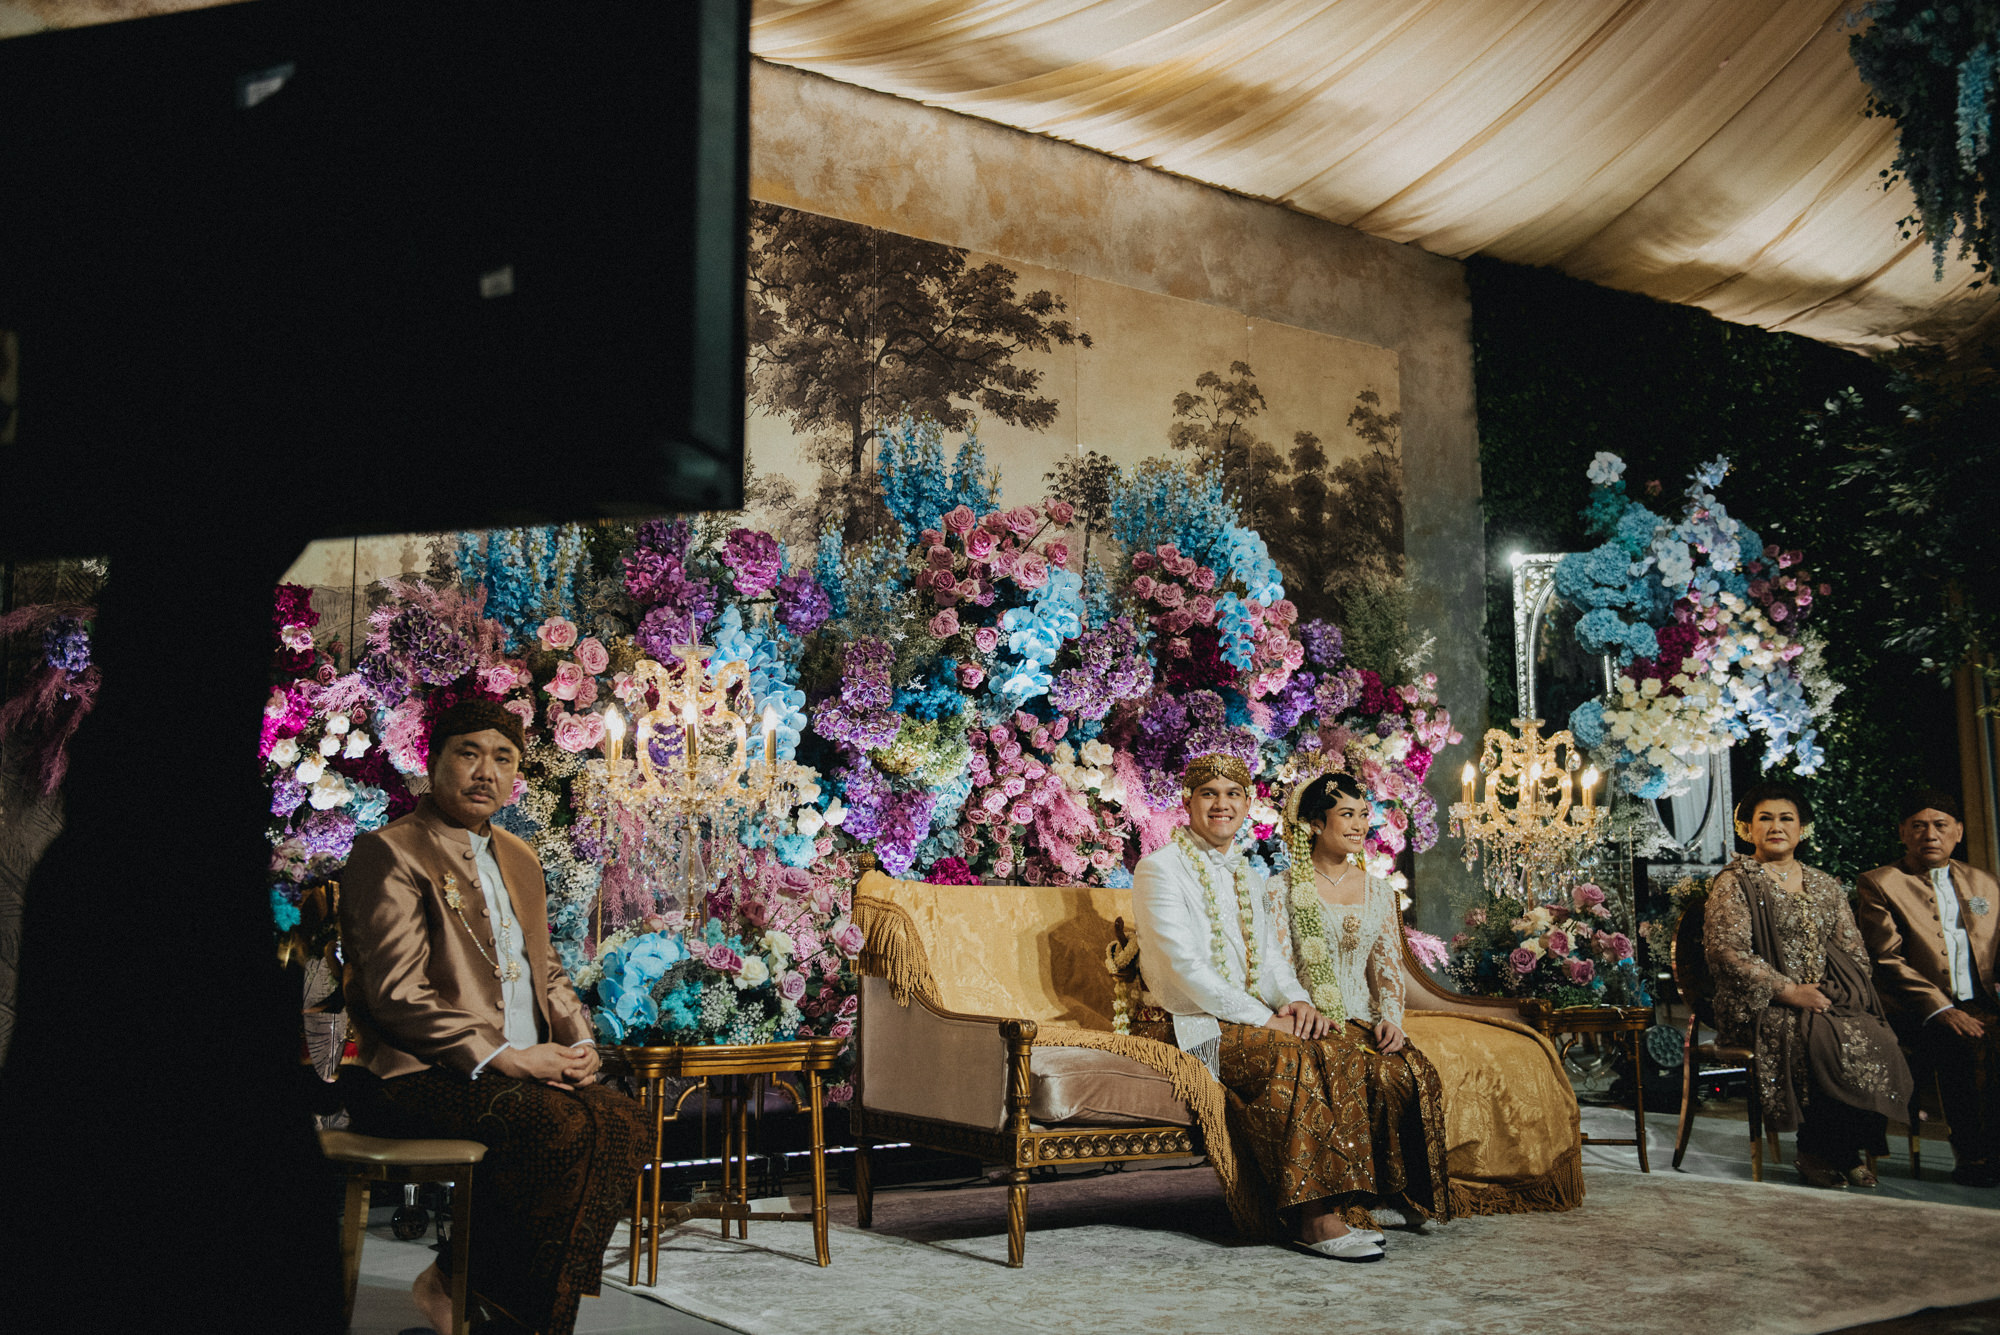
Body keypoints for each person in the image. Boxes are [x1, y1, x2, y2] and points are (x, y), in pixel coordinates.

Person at [339, 700, 647, 1334]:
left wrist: (580, 1044)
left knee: (627, 1122)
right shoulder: (389, 851)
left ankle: (463, 1284)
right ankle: (507, 1315)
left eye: (503, 759)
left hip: (518, 1073)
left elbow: (548, 972)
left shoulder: (519, 858)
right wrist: (505, 1056)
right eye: (469, 754)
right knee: (559, 1127)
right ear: (433, 762)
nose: (486, 772)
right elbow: (395, 993)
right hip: (413, 1077)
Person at [1128, 753, 1449, 1261]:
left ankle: (1343, 1204)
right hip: (1186, 1024)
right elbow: (1185, 968)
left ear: (1246, 805)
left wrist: (1296, 1002)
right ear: (1188, 802)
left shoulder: (1248, 873)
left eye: (1233, 795)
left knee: (1335, 1044)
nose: (1221, 804)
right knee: (1291, 1055)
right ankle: (1312, 1220)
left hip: (1244, 1016)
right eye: (1209, 793)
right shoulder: (1158, 870)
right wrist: (1266, 1018)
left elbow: (1272, 960)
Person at [1704, 780, 1913, 1189]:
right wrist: (1790, 991)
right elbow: (1726, 952)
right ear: (1748, 829)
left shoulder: (1824, 884)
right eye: (1765, 818)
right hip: (1762, 1003)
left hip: (1825, 997)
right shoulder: (1735, 881)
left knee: (1875, 1035)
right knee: (1813, 1038)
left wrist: (1834, 991)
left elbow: (1854, 952)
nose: (1776, 827)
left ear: (1802, 829)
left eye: (1786, 818)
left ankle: (1846, 1149)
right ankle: (1816, 1151)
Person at [1267, 768, 1450, 1230]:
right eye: (1346, 814)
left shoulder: (1378, 891)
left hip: (1366, 1020)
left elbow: (1388, 970)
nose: (1359, 825)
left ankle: (1398, 1191)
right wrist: (1299, 1008)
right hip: (1310, 1021)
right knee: (1354, 1070)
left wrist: (1392, 1020)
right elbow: (1276, 966)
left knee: (1405, 1072)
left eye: (1364, 815)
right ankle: (1345, 1197)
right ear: (1315, 824)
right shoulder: (1281, 889)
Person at [1856, 789, 2000, 1186]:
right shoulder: (1880, 883)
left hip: (1982, 1000)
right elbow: (1885, 959)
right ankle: (1976, 1158)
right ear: (1903, 832)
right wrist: (1941, 1008)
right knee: (1966, 1041)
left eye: (1940, 825)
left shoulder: (1985, 883)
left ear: (1958, 832)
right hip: (1913, 1009)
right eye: (1919, 826)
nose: (1930, 835)